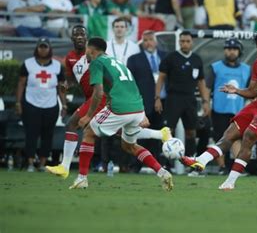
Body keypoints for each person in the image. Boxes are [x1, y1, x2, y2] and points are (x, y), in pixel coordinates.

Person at [180, 29, 257, 190]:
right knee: (229, 134)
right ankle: (201, 160)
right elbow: (253, 92)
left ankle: (230, 182)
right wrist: (237, 90)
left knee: (248, 136)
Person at [46, 26, 171, 179]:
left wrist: (98, 108)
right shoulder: (72, 58)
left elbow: (103, 88)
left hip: (100, 98)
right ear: (71, 38)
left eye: (82, 34)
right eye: (76, 34)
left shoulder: (98, 60)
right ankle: (160, 145)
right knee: (126, 142)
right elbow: (73, 80)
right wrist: (67, 85)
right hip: (118, 102)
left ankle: (69, 169)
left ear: (88, 43)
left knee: (76, 125)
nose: (79, 37)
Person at [155, 31, 210, 158]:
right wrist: (157, 98)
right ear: (179, 42)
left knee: (191, 131)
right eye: (182, 41)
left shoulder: (196, 59)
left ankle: (190, 160)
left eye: (187, 41)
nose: (184, 44)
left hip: (190, 99)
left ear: (192, 42)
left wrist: (205, 101)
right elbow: (161, 78)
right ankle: (166, 163)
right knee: (168, 131)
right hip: (173, 98)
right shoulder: (171, 57)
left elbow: (201, 81)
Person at [15, 37, 67, 172]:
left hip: (50, 104)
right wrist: (18, 102)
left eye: (45, 47)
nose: (43, 50)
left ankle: (43, 163)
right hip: (31, 103)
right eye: (40, 47)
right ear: (37, 48)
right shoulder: (28, 64)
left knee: (48, 134)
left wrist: (64, 105)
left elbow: (61, 87)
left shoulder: (57, 66)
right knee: (31, 133)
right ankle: (30, 162)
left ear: (50, 49)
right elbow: (21, 84)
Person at [207, 38, 251, 173]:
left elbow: (250, 90)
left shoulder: (247, 69)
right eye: (228, 49)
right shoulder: (215, 67)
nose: (231, 52)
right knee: (220, 139)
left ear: (239, 51)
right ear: (225, 51)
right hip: (219, 109)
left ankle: (238, 168)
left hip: (238, 110)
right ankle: (222, 167)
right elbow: (208, 88)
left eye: (234, 49)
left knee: (237, 139)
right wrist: (206, 104)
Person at [127, 30, 168, 169]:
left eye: (150, 39)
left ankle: (158, 164)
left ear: (156, 41)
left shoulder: (165, 57)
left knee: (160, 133)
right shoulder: (134, 59)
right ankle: (136, 164)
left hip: (163, 102)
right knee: (140, 133)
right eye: (145, 40)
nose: (148, 42)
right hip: (142, 102)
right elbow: (130, 83)